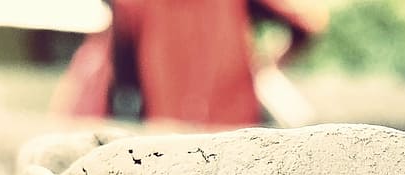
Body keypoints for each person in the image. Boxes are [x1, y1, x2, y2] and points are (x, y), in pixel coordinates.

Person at [51, 0, 328, 126]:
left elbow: (112, 59)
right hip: (234, 128)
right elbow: (308, 21)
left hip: (170, 133)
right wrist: (269, 64)